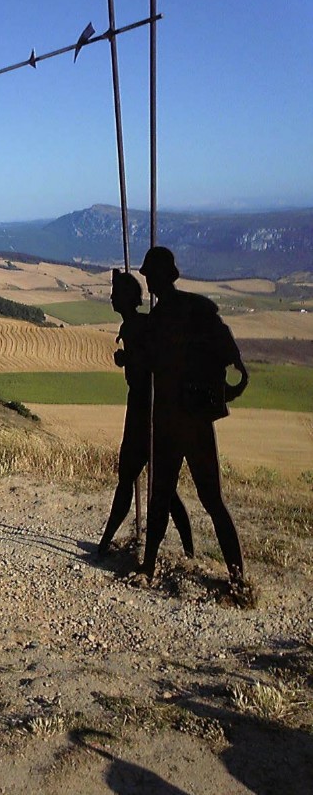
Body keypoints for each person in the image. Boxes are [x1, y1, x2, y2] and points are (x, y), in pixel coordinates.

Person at [138, 247, 248, 585]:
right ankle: (150, 566)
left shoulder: (185, 312)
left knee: (204, 498)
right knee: (174, 496)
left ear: (160, 277)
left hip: (183, 418)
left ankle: (237, 577)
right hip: (177, 417)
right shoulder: (181, 312)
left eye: (150, 275)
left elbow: (227, 352)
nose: (148, 281)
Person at [97, 270, 194, 557]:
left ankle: (186, 548)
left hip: (146, 411)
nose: (112, 298)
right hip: (139, 408)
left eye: (116, 293)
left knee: (148, 482)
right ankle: (107, 542)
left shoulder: (139, 327)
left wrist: (129, 359)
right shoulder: (133, 326)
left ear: (126, 298)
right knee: (148, 482)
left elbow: (152, 363)